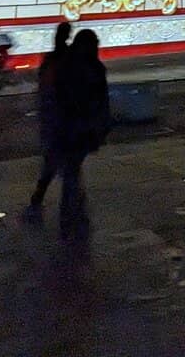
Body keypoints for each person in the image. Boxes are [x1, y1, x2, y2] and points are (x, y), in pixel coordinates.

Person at [56, 29, 111, 239]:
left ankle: (72, 209)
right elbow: (99, 100)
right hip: (81, 126)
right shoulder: (91, 68)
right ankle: (74, 210)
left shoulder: (71, 65)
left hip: (72, 126)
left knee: (71, 168)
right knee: (72, 168)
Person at [23, 21, 72, 220]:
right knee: (67, 164)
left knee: (52, 162)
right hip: (64, 118)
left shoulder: (51, 58)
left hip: (52, 117)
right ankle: (69, 203)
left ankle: (40, 196)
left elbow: (44, 86)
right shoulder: (68, 58)